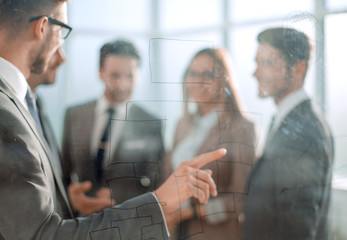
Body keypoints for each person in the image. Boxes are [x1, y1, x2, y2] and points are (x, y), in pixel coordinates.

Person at [0, 0, 226, 239]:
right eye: (62, 31)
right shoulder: (12, 110)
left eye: (130, 75)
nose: (62, 55)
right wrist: (159, 203)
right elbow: (45, 232)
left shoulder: (18, 102)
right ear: (42, 27)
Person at [242, 27, 334, 240]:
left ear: (298, 68)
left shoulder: (301, 132)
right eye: (257, 62)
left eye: (267, 63)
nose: (255, 73)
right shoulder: (289, 120)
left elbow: (299, 228)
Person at [162, 48, 257, 239]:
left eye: (208, 74)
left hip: (216, 234)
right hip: (176, 233)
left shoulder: (242, 128)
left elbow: (240, 200)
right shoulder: (182, 124)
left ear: (224, 80)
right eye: (193, 73)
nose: (198, 81)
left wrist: (190, 213)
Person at [62, 39, 165, 213]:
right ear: (101, 73)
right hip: (80, 221)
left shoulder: (151, 123)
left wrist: (117, 198)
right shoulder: (74, 116)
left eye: (130, 76)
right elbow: (64, 172)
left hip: (127, 222)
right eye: (115, 75)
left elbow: (156, 182)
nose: (123, 84)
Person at [27, 47, 114, 216]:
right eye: (53, 49)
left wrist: (69, 200)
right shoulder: (74, 114)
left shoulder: (37, 104)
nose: (62, 59)